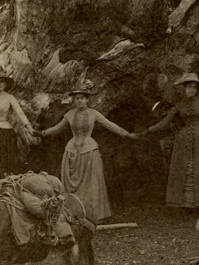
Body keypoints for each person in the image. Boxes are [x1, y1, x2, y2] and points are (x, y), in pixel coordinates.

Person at [33, 79, 136, 224]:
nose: (79, 101)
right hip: (72, 151)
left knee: (91, 183)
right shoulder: (69, 114)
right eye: (76, 99)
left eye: (82, 98)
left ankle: (93, 214)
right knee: (70, 184)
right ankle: (73, 213)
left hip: (89, 151)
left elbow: (110, 125)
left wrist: (126, 134)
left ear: (87, 99)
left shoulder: (94, 114)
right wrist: (41, 133)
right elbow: (57, 128)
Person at [142, 73, 199, 217]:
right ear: (184, 89)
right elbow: (165, 121)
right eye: (189, 87)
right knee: (183, 169)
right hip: (182, 141)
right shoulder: (179, 105)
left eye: (194, 87)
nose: (192, 90)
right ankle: (182, 205)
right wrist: (148, 130)